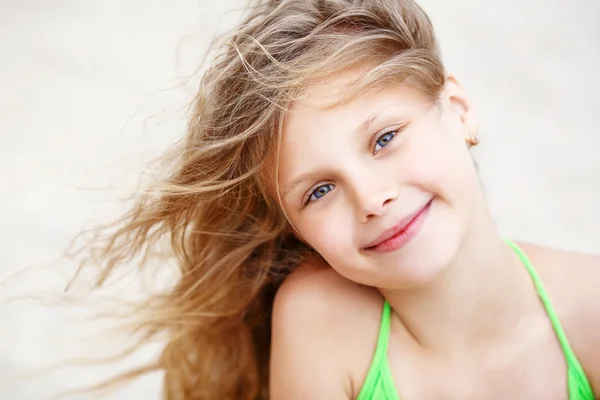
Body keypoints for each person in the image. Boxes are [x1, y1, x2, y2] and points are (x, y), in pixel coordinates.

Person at [75, 0, 600, 399]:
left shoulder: (590, 306)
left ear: (459, 110)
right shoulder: (321, 320)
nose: (371, 198)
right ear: (295, 229)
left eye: (385, 139)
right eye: (319, 191)